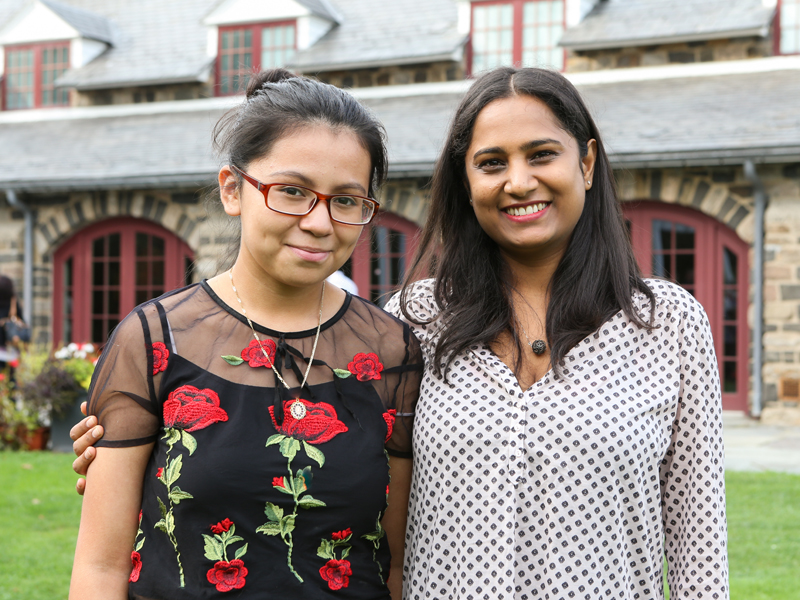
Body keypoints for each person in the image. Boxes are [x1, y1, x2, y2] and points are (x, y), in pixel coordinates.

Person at [72, 66, 729, 600]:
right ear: (466, 180)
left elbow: (701, 550)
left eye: (542, 154)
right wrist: (142, 449)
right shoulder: (412, 324)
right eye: (492, 161)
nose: (519, 180)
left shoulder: (666, 323)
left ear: (586, 163)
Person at [69, 68, 422, 600]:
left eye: (346, 200)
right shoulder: (154, 340)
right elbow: (100, 567)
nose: (320, 222)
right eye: (292, 191)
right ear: (234, 190)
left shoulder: (391, 351)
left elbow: (391, 564)